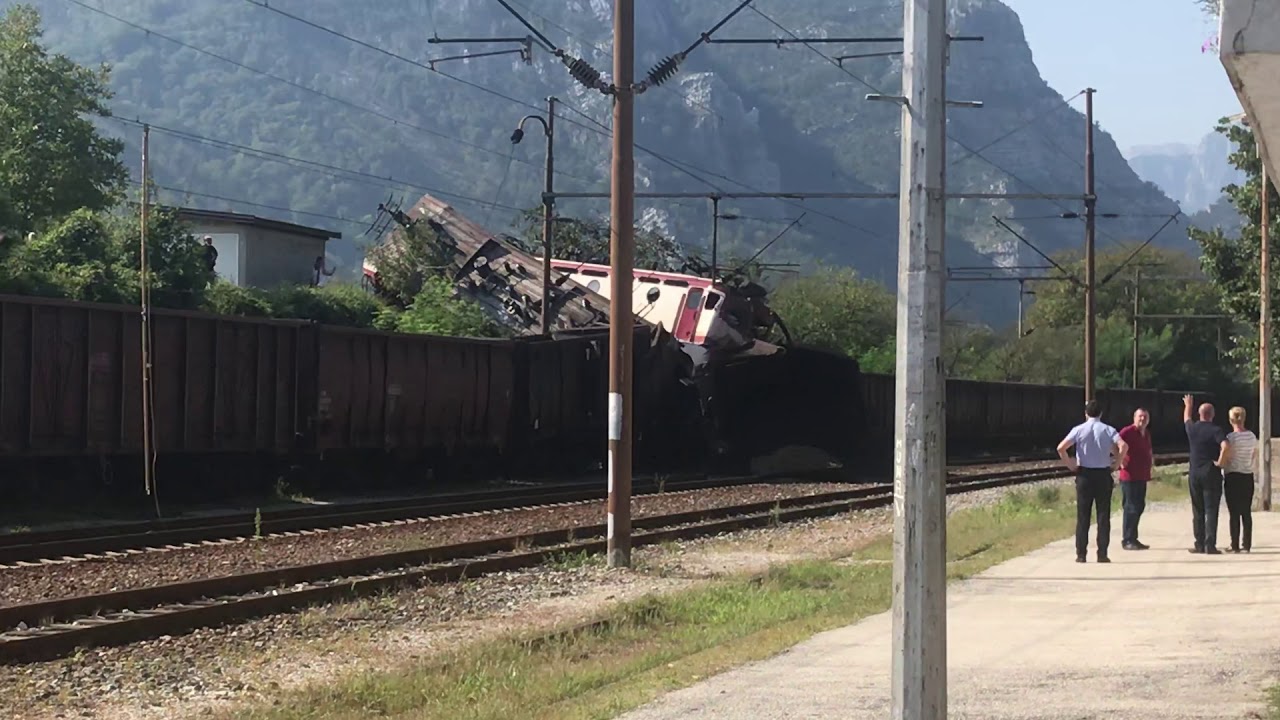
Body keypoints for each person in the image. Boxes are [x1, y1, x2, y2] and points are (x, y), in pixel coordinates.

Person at [1058, 399, 1128, 563]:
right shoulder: (1108, 429)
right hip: (1103, 474)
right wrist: (1117, 463)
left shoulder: (1079, 429)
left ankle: (1081, 554)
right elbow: (1123, 446)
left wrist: (1071, 466)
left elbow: (1061, 448)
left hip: (1084, 475)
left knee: (1083, 516)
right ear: (1101, 414)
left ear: (1086, 413)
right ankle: (1102, 553)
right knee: (1103, 515)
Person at [1183, 394, 1229, 555]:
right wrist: (1221, 462)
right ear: (1213, 415)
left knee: (1198, 510)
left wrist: (1188, 404)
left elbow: (1186, 418)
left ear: (1200, 414)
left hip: (1194, 472)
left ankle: (1199, 543)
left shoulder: (1193, 428)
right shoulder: (1216, 430)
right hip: (1211, 471)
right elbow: (1225, 446)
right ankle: (1210, 545)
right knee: (1211, 509)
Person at [1118, 408, 1153, 550]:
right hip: (1129, 476)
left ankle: (1134, 537)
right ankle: (1127, 539)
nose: (1142, 420)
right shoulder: (1127, 432)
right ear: (1134, 418)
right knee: (1130, 507)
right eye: (1140, 417)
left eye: (1145, 417)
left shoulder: (1146, 433)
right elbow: (1114, 443)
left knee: (1139, 507)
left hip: (1142, 476)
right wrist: (1120, 460)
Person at [1224, 406, 1258, 553]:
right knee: (1246, 511)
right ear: (1244, 418)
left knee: (1234, 512)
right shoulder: (1251, 436)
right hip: (1247, 475)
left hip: (1233, 476)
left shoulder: (1230, 438)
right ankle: (1247, 544)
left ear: (1231, 420)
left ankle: (1235, 544)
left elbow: (1228, 456)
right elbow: (1253, 455)